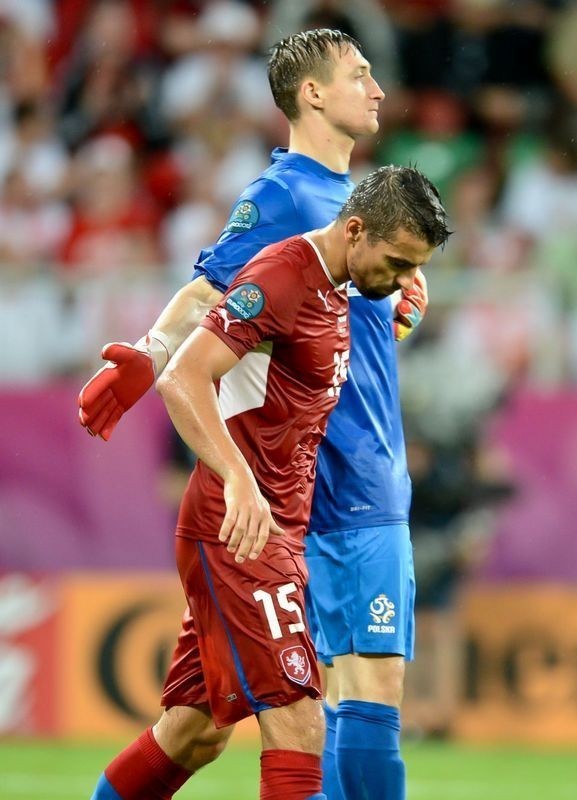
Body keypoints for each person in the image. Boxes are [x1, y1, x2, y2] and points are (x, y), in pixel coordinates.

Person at [80, 29, 432, 799]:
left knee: (199, 728)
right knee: (350, 700)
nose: (376, 88)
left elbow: (352, 331)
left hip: (338, 477)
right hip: (315, 487)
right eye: (358, 75)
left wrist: (399, 303)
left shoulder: (367, 209)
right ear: (312, 94)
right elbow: (208, 293)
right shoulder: (282, 197)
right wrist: (149, 352)